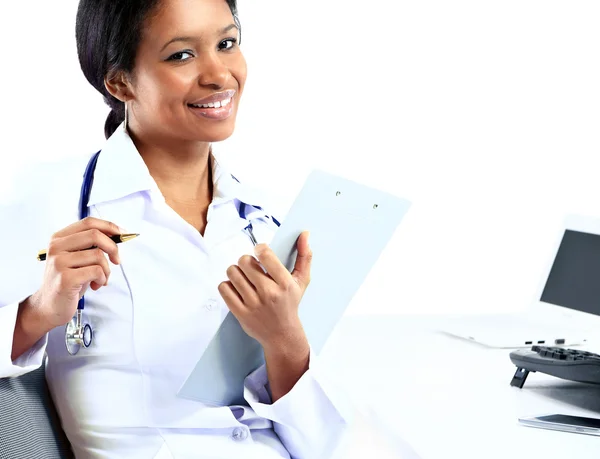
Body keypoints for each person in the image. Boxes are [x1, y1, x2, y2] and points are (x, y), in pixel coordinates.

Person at [0, 0, 350, 457]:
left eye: (227, 44)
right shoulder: (51, 200)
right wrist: (39, 311)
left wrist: (284, 340)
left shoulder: (274, 222)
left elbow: (326, 446)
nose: (219, 75)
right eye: (181, 55)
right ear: (119, 81)